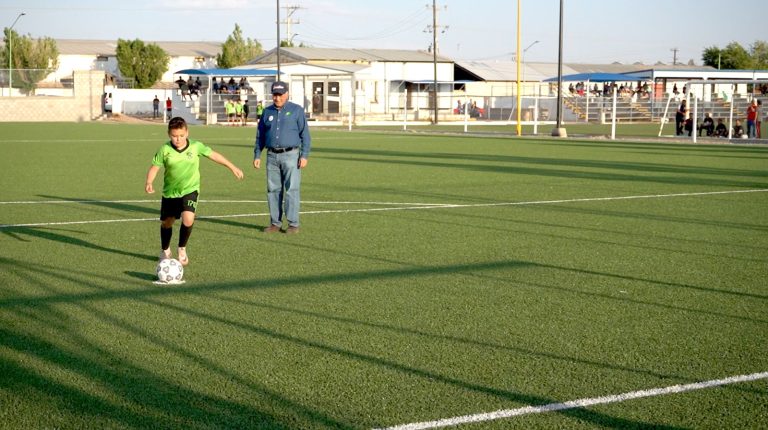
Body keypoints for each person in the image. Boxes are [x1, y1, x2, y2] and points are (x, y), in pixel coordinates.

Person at [145, 117, 244, 267]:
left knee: (188, 219)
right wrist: (149, 182)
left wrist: (232, 167)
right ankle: (165, 250)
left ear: (187, 133)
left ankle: (182, 248)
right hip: (170, 192)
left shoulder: (196, 146)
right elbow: (155, 167)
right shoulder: (165, 149)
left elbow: (214, 155)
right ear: (169, 134)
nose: (178, 139)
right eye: (174, 136)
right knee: (167, 223)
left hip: (190, 189)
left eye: (181, 135)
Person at [253, 81, 311, 234]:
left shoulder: (297, 110)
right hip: (271, 156)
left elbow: (305, 135)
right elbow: (260, 136)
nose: (277, 98)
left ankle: (293, 224)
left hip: (291, 155)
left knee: (292, 190)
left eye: (280, 95)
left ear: (286, 94)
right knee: (273, 190)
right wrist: (257, 154)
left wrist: (304, 155)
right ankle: (275, 223)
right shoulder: (267, 112)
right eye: (274, 95)